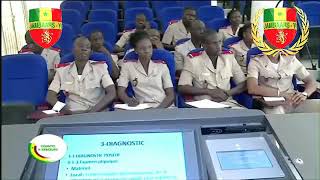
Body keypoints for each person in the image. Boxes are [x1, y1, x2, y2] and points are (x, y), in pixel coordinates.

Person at [47, 36, 116, 114]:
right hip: (71, 114)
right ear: (73, 50)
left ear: (90, 51)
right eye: (80, 46)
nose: (84, 49)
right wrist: (63, 110)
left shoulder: (100, 68)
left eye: (88, 47)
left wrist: (92, 112)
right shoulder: (62, 71)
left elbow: (111, 93)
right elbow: (50, 96)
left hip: (97, 112)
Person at [178, 29, 247, 107]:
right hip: (204, 105)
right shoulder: (193, 60)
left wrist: (228, 93)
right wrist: (209, 92)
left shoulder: (229, 57)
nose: (218, 46)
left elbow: (243, 83)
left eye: (220, 42)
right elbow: (182, 87)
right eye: (214, 43)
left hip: (227, 102)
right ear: (204, 45)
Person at [117, 31, 175, 108]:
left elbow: (170, 95)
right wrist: (128, 100)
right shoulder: (127, 66)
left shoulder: (162, 65)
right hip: (142, 107)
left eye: (149, 47)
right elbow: (121, 91)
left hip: (164, 106)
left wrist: (158, 110)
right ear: (135, 50)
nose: (147, 51)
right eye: (142, 48)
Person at [247, 51, 318, 114]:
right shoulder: (256, 61)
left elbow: (311, 81)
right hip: (271, 103)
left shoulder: (290, 59)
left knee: (317, 107)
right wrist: (281, 94)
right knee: (277, 112)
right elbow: (252, 88)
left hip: (294, 101)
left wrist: (305, 94)